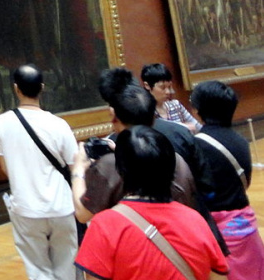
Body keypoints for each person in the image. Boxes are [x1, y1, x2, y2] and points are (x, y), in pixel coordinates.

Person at [74, 126, 227, 280]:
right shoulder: (195, 219)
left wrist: (79, 169)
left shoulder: (104, 225)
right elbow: (218, 277)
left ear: (120, 171)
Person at [0, 64, 78, 280]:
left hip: (26, 207)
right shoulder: (59, 124)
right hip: (61, 206)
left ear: (16, 89)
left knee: (37, 270)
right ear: (42, 87)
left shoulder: (2, 122)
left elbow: (5, 167)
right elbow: (74, 167)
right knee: (66, 266)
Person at [71, 82, 198, 221]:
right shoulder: (177, 159)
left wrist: (78, 170)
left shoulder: (110, 165)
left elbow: (82, 214)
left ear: (114, 117)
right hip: (176, 231)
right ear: (153, 117)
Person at [190, 80, 264, 278]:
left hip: (218, 233)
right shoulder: (241, 141)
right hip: (245, 225)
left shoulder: (197, 145)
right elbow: (245, 180)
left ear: (199, 110)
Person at [142, 62, 202, 132]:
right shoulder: (146, 112)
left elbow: (197, 127)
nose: (168, 91)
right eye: (162, 87)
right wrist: (183, 126)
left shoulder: (176, 105)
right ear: (147, 86)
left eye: (169, 86)